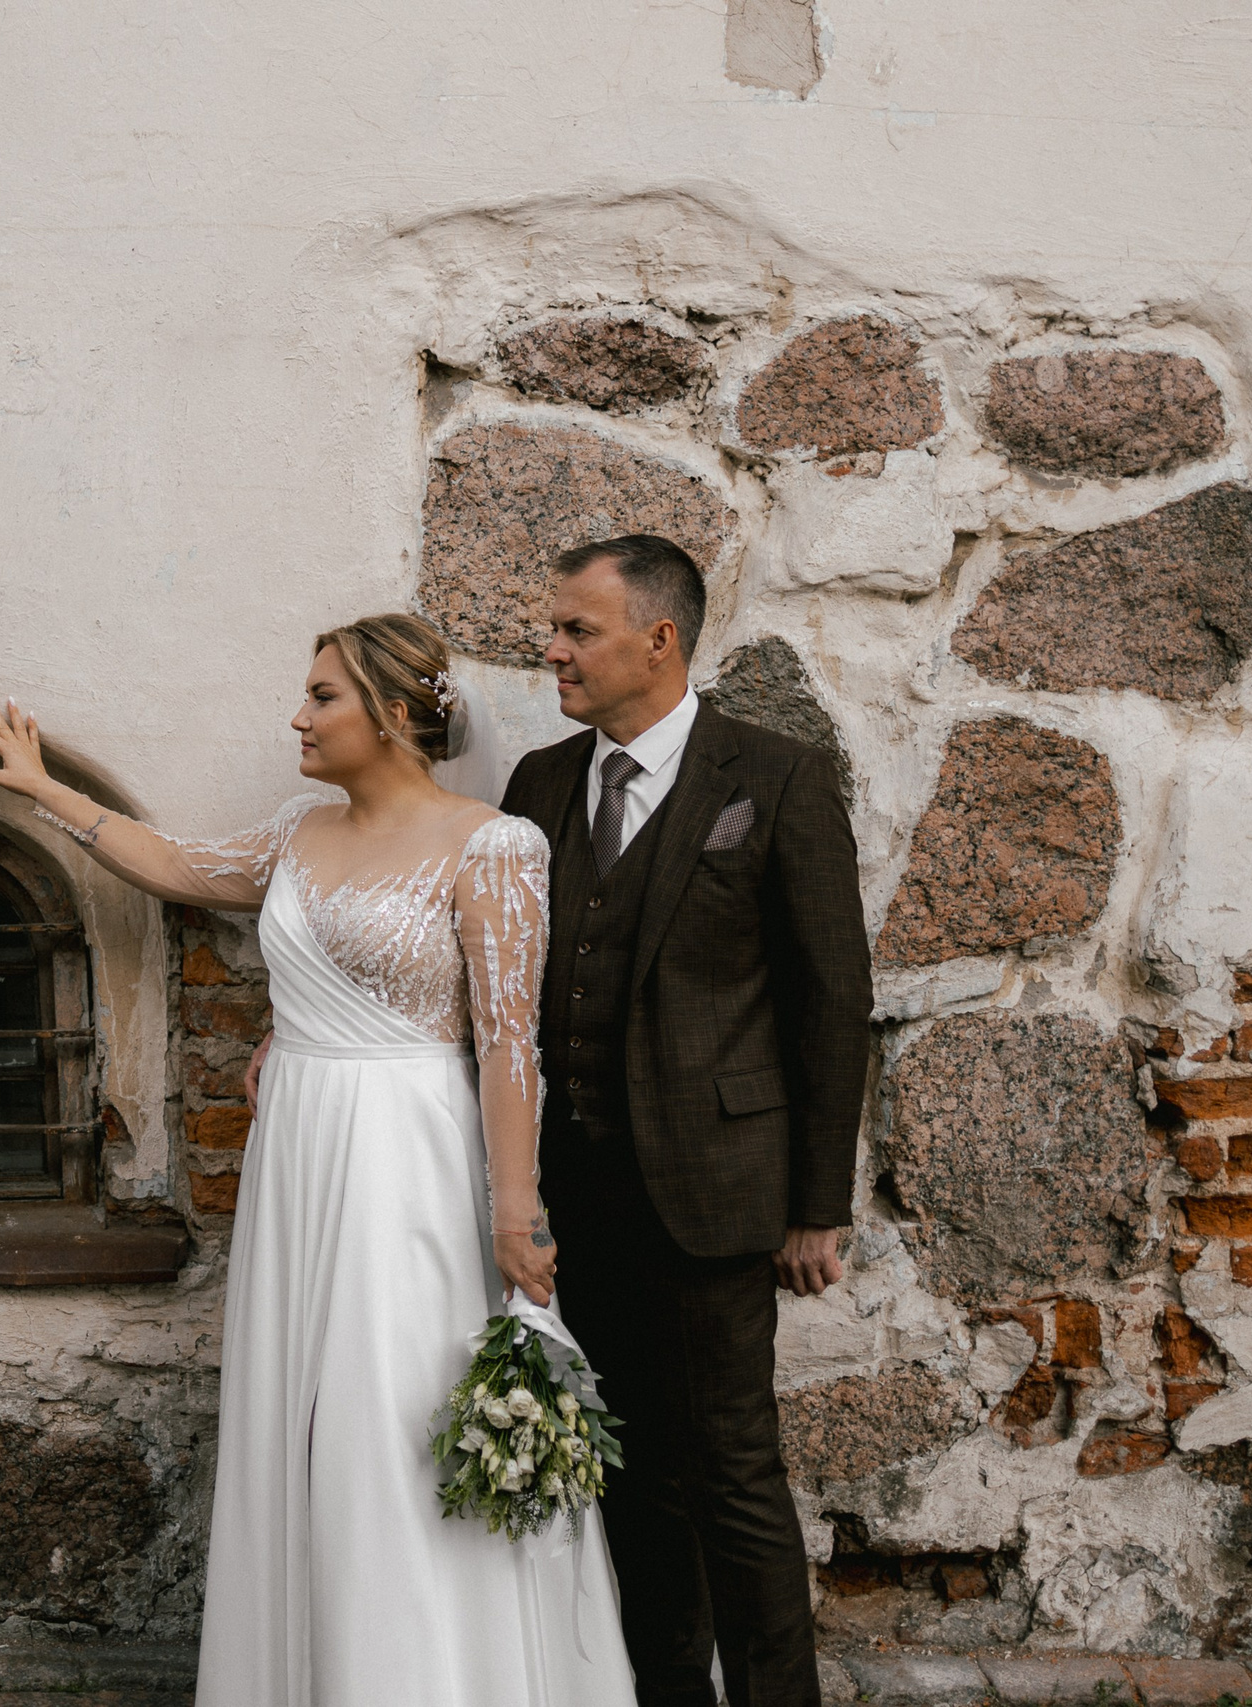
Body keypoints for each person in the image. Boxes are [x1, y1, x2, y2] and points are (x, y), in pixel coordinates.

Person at [0, 614, 635, 1707]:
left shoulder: (492, 845)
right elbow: (180, 867)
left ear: (392, 711)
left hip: (407, 1156)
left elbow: (512, 1043)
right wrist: (46, 789)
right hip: (299, 1147)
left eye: (321, 696)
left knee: (391, 1416)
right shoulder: (297, 830)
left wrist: (516, 1211)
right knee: (301, 1417)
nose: (297, 715)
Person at [497, 535, 874, 1707]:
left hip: (716, 1194)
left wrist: (817, 1206)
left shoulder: (776, 776)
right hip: (577, 1195)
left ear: (657, 640)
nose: (550, 649)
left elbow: (831, 1001)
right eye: (554, 628)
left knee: (732, 1474)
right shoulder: (538, 784)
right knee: (630, 1473)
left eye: (577, 631)